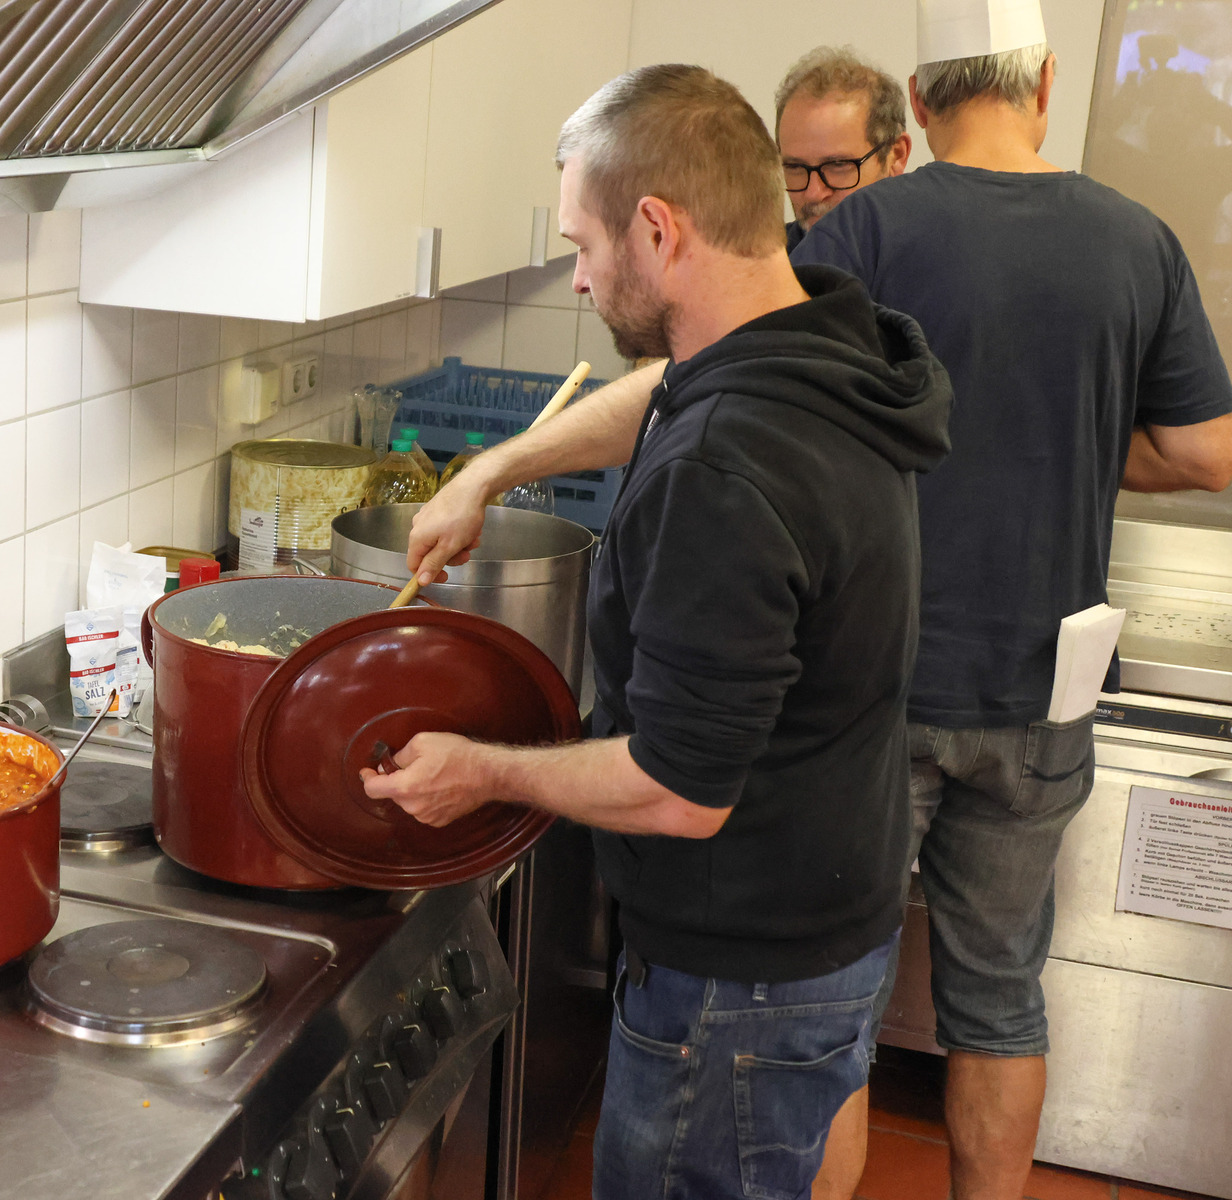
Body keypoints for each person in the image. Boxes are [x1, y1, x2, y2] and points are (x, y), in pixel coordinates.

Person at [364, 63, 952, 1198]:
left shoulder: (725, 474)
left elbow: (682, 790)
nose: (581, 278)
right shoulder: (825, 339)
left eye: (584, 247)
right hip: (827, 907)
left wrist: (481, 771)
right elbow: (670, 387)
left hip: (739, 983)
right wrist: (490, 469)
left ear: (657, 227)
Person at [792, 0, 1232, 1194]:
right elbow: (1206, 454)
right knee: (999, 999)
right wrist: (1072, 438)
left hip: (877, 690)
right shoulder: (1138, 240)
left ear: (918, 104)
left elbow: (778, 420)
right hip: (1043, 695)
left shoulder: (864, 229)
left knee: (834, 1002)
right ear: (1043, 86)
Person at [775, 46, 913, 250]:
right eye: (795, 167)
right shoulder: (758, 263)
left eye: (837, 165)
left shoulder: (937, 256)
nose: (813, 194)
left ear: (896, 155)